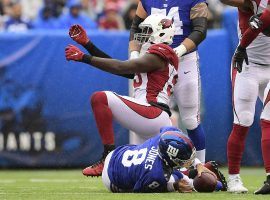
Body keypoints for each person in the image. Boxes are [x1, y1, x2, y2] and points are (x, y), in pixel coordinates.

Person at [65, 14, 179, 177]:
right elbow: (120, 67)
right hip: (151, 118)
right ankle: (202, 174)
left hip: (151, 113)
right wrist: (88, 45)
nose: (143, 35)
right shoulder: (156, 57)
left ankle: (108, 156)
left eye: (148, 30)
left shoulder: (160, 52)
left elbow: (120, 67)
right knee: (145, 174)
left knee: (100, 98)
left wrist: (84, 57)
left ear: (161, 33)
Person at [128, 0, 209, 164]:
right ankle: (145, 164)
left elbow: (200, 30)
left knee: (190, 119)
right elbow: (136, 27)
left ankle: (201, 169)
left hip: (185, 60)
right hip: (154, 59)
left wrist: (179, 50)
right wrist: (134, 53)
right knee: (146, 113)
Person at [221, 0, 270, 194]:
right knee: (243, 120)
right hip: (248, 65)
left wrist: (241, 46)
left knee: (268, 119)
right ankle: (233, 177)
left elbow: (265, 19)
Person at [102, 126, 225, 193]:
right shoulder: (155, 175)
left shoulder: (166, 136)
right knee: (181, 181)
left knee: (175, 174)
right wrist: (175, 186)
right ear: (169, 157)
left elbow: (167, 129)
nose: (189, 160)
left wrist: (197, 164)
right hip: (111, 177)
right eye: (184, 158)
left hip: (118, 153)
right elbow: (138, 189)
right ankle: (198, 180)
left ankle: (193, 176)